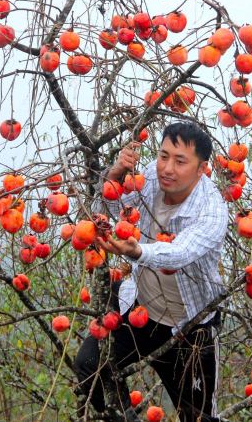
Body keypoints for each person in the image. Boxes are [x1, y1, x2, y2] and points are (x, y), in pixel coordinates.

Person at [74, 121, 229, 422]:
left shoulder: (212, 210)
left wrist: (139, 251)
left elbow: (181, 252)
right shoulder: (152, 177)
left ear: (201, 169)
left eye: (180, 161)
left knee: (197, 417)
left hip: (190, 329)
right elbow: (106, 204)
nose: (167, 168)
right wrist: (115, 174)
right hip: (139, 306)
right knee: (89, 368)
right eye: (163, 155)